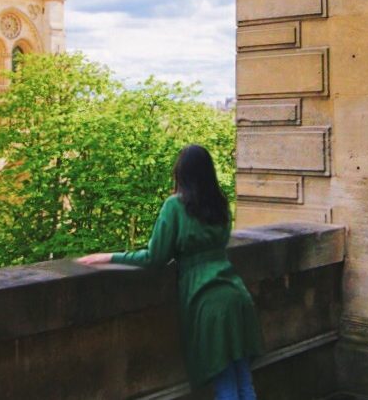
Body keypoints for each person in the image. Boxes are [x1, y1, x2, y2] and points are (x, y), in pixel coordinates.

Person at [78, 144, 263, 399]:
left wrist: (110, 256)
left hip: (206, 300)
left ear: (181, 173)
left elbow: (155, 256)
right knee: (243, 380)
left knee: (225, 385)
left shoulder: (175, 207)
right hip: (236, 294)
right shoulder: (220, 205)